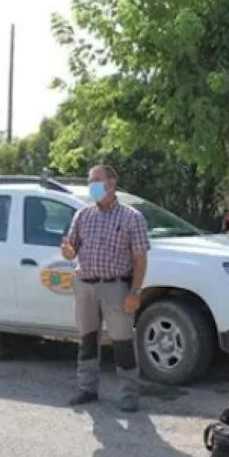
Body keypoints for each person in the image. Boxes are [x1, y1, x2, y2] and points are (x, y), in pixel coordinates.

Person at [61, 165, 150, 413]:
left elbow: (140, 259)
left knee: (122, 341)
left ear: (112, 182)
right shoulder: (83, 215)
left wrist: (135, 291)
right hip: (85, 285)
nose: (92, 185)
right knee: (87, 339)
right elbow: (71, 249)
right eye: (90, 180)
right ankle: (86, 388)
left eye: (97, 179)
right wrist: (67, 251)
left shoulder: (132, 217)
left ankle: (129, 394)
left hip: (116, 286)